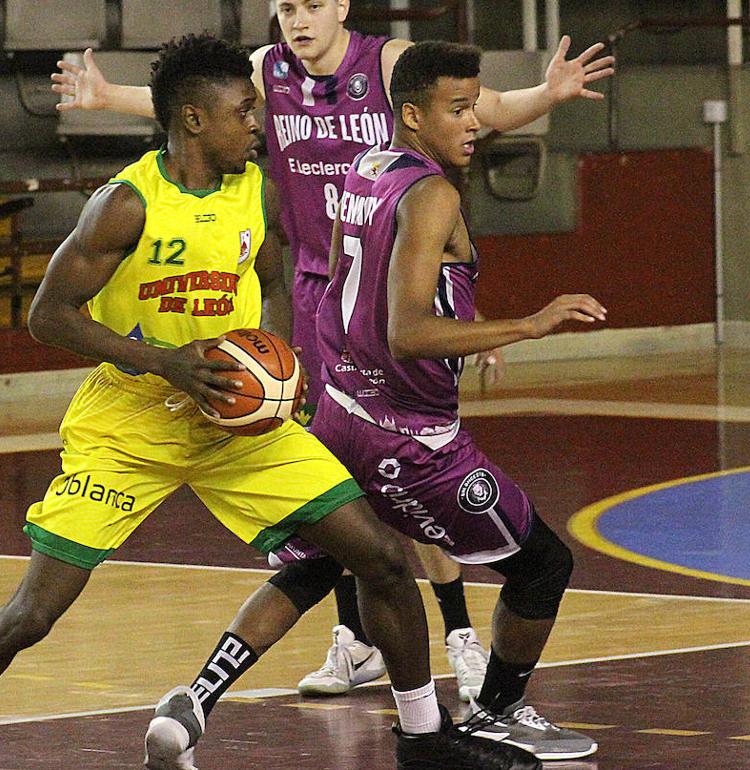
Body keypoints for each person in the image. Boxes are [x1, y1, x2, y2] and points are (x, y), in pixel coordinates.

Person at [0, 33, 539, 770]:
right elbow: (49, 316)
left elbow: (272, 269)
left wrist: (279, 361)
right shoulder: (125, 205)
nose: (258, 124)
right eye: (243, 112)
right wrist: (165, 363)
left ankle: (422, 738)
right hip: (131, 426)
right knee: (32, 614)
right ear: (194, 120)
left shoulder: (254, 186)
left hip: (236, 416)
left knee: (382, 558)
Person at [51, 0, 615, 698]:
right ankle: (355, 642)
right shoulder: (264, 71)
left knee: (404, 467)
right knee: (360, 476)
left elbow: (482, 108)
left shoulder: (381, 66)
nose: (298, 17)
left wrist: (545, 95)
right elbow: (188, 103)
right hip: (320, 291)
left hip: (382, 282)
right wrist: (107, 98)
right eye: (285, 6)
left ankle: (458, 632)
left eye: (312, 4)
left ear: (342, 7)